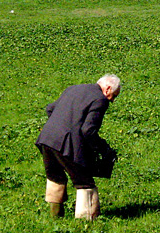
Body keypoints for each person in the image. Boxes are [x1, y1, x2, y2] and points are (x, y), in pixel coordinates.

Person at [36, 74, 121, 220]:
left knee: (55, 177)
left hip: (47, 139)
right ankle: (84, 224)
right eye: (113, 96)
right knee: (85, 183)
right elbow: (88, 130)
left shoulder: (73, 88)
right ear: (107, 89)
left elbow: (50, 109)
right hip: (66, 144)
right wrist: (104, 149)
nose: (112, 100)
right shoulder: (100, 99)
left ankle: (55, 218)